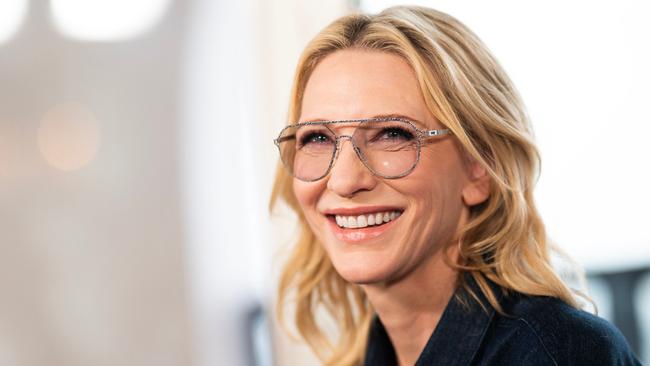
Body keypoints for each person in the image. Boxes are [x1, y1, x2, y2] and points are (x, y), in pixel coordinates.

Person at [270, 5, 642, 366]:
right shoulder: (371, 353)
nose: (345, 180)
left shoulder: (557, 353)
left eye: (393, 134)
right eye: (317, 139)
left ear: (481, 167)